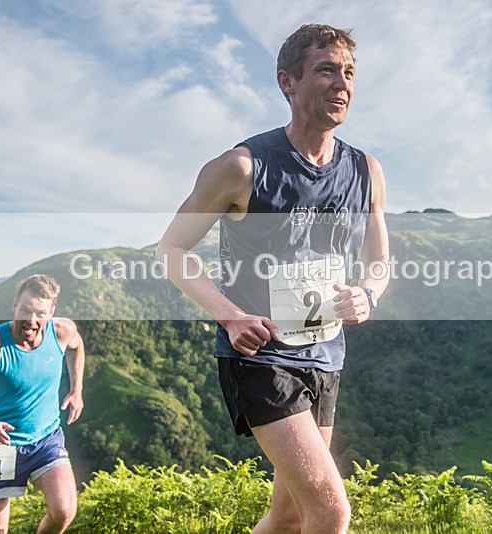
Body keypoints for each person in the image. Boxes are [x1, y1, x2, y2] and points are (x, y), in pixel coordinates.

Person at [156, 23, 389, 533]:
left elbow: (379, 262)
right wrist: (231, 316)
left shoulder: (366, 170)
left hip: (325, 353)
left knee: (287, 515)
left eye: (349, 73)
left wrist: (367, 294)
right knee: (331, 511)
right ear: (287, 81)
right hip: (260, 355)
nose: (342, 84)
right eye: (326, 70)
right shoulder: (241, 167)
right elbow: (170, 250)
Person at [0, 274, 85, 534]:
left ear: (51, 312)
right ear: (14, 306)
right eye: (25, 310)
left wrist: (77, 389)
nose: (31, 320)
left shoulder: (62, 331)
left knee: (64, 511)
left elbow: (76, 347)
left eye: (40, 313)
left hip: (46, 439)